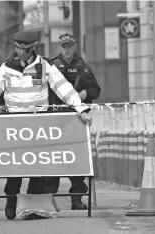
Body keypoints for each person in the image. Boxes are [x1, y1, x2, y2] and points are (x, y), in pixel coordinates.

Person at [0, 30, 92, 220]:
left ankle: (34, 206)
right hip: (14, 124)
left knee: (38, 167)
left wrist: (81, 109)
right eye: (17, 49)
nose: (20, 53)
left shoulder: (44, 66)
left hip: (39, 124)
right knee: (14, 167)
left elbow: (64, 89)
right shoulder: (6, 68)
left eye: (23, 50)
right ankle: (11, 199)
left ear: (31, 49)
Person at [44, 33, 100, 210]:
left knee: (77, 161)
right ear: (59, 47)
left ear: (74, 47)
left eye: (69, 46)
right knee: (53, 161)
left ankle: (77, 199)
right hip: (55, 119)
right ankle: (48, 199)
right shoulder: (51, 65)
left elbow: (95, 90)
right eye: (63, 46)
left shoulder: (82, 66)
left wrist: (85, 94)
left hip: (76, 119)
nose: (66, 49)